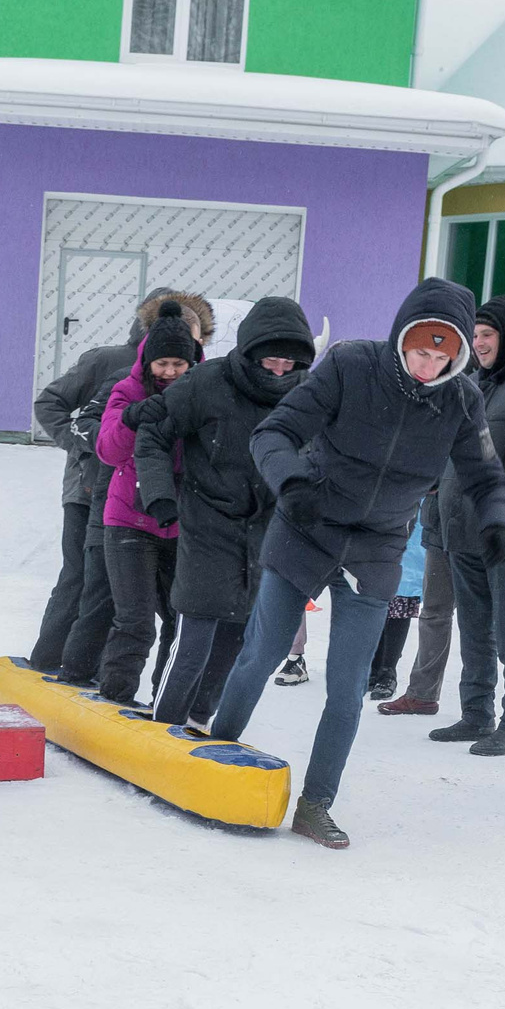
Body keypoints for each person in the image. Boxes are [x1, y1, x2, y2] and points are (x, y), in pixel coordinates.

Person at [207, 277, 505, 849]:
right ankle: (212, 757)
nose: (428, 365)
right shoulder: (351, 365)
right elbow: (274, 432)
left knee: (348, 684)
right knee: (264, 651)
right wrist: (292, 481)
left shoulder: (461, 400)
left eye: (441, 356)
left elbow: (487, 477)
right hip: (308, 524)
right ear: (401, 338)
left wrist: (499, 519)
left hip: (376, 547)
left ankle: (315, 803)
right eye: (420, 351)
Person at [133, 296, 314, 728]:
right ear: (251, 350)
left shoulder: (307, 395)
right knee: (195, 631)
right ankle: (164, 724)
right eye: (270, 360)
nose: (277, 370)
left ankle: (198, 719)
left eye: (288, 363)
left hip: (268, 528)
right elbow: (153, 435)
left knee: (239, 635)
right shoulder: (207, 382)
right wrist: (160, 496)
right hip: (206, 519)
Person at [401, 295, 505, 755]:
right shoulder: (466, 383)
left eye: (487, 335)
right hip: (461, 530)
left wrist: (503, 501)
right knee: (474, 629)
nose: (478, 344)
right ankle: (476, 715)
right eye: (473, 336)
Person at [30, 289, 212, 685]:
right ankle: (50, 668)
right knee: (86, 584)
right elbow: (56, 407)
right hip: (91, 492)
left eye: (194, 338)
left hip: (165, 510)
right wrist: (86, 451)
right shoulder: (112, 363)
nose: (170, 368)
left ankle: (114, 683)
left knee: (148, 605)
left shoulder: (200, 382)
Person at [92, 302, 202, 704]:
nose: (170, 372)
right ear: (148, 360)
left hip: (182, 523)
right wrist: (132, 417)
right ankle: (115, 698)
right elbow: (106, 450)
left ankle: (165, 702)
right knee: (135, 622)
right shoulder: (128, 390)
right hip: (128, 522)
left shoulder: (202, 391)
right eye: (162, 363)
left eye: (178, 364)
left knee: (180, 620)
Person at [364, 532, 432, 700]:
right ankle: (373, 666)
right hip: (381, 531)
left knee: (401, 597)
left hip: (410, 534)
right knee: (376, 599)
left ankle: (388, 671)